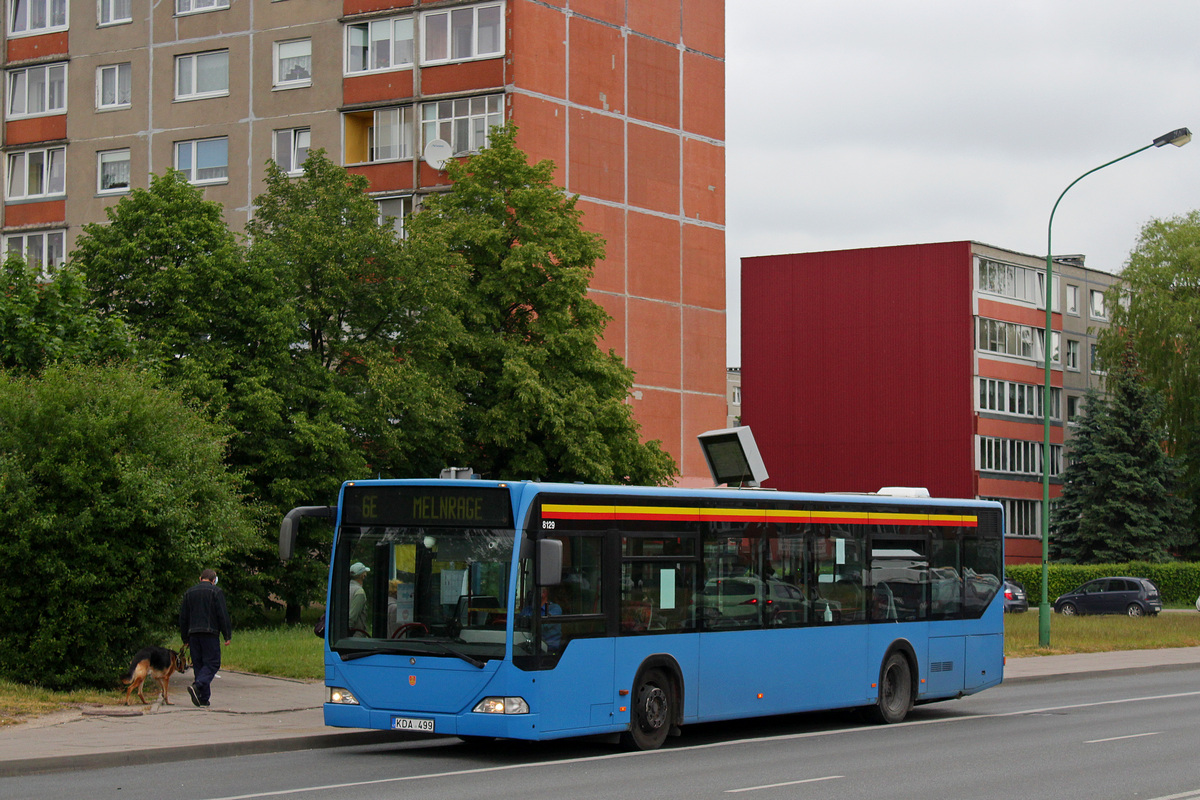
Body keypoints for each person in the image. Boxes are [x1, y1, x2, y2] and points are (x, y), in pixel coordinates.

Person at [179, 568, 231, 708]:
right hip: (210, 633)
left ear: (200, 578)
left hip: (193, 634)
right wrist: (227, 635)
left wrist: (185, 638)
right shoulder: (216, 592)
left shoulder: (189, 593)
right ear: (213, 580)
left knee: (199, 665)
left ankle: (203, 698)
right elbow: (222, 614)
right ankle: (198, 685)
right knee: (213, 663)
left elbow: (183, 617)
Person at [349, 562, 370, 635]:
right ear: (363, 575)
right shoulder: (359, 592)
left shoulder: (345, 588)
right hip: (356, 635)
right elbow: (352, 617)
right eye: (365, 573)